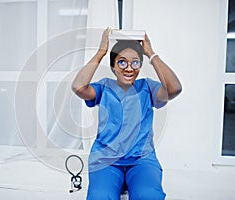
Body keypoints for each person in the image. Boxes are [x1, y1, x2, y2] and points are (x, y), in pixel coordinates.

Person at [71, 28, 182, 200]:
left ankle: (131, 183)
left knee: (148, 196)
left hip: (141, 160)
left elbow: (174, 88)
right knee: (100, 197)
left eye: (135, 62)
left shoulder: (148, 87)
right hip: (106, 160)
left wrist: (150, 53)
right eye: (122, 62)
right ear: (113, 66)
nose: (129, 68)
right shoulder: (104, 87)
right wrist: (101, 52)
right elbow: (78, 87)